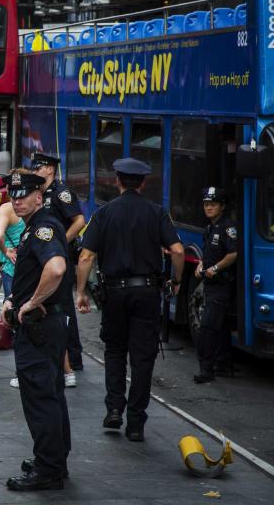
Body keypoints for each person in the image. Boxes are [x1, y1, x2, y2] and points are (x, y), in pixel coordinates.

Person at [75, 158, 184, 442]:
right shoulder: (157, 213)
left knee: (114, 351)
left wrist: (80, 291)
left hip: (114, 293)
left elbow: (86, 256)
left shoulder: (103, 213)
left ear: (117, 181)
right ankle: (136, 422)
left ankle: (114, 408)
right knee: (142, 357)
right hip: (147, 292)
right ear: (144, 183)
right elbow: (178, 250)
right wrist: (177, 281)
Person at [0, 171, 70, 491]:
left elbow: (55, 268)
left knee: (41, 397)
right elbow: (33, 271)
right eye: (13, 195)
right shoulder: (35, 227)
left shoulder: (43, 227)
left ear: (39, 197)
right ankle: (53, 458)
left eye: (24, 194)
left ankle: (48, 469)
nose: (16, 200)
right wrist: (16, 298)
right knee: (50, 393)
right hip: (43, 324)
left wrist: (29, 304)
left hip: (39, 326)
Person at [31, 152, 86, 371]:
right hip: (46, 257)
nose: (35, 171)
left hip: (60, 258)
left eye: (38, 168)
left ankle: (73, 359)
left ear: (49, 170)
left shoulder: (61, 193)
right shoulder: (41, 192)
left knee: (64, 310)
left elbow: (79, 220)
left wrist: (61, 241)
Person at [192, 187, 238, 383]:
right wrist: (202, 264)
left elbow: (233, 253)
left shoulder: (227, 228)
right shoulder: (210, 227)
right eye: (206, 204)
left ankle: (206, 370)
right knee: (221, 327)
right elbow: (208, 252)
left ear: (222, 206)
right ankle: (224, 365)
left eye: (213, 204)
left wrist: (216, 268)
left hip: (221, 285)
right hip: (211, 284)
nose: (208, 208)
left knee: (208, 328)